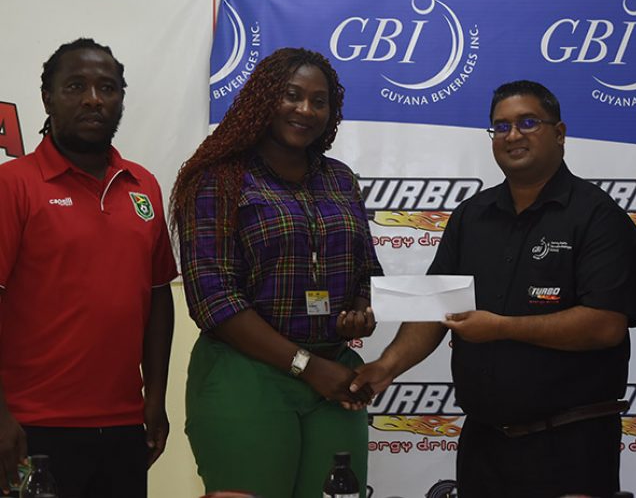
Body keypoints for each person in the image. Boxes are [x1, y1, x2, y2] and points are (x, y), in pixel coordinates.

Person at [349, 80, 636, 498]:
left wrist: (501, 327)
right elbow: (436, 308)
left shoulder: (598, 218)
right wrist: (386, 367)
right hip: (485, 445)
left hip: (571, 446)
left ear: (559, 133)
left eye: (527, 122)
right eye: (500, 127)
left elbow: (604, 325)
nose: (513, 135)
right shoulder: (472, 216)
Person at [170, 47, 382, 498]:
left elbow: (365, 268)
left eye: (318, 100)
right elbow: (214, 299)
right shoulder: (217, 180)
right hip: (245, 376)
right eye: (292, 95)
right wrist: (306, 367)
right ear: (264, 99)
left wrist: (360, 311)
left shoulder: (340, 179)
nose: (305, 109)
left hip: (334, 373)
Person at [0, 38, 177, 497]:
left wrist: (154, 399)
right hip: (30, 427)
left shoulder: (143, 186)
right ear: (47, 97)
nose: (93, 99)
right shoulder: (12, 185)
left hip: (123, 426)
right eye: (76, 86)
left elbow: (159, 295)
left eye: (107, 87)